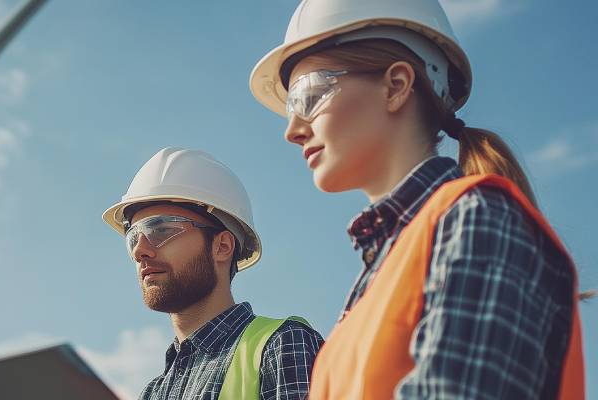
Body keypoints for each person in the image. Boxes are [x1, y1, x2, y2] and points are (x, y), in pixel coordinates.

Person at [246, 0, 587, 398]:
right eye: (289, 107)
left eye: (308, 96)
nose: (292, 129)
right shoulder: (381, 274)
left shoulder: (475, 220)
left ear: (396, 86)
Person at [102, 147, 324, 400]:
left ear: (222, 246)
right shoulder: (153, 393)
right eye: (133, 238)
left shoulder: (282, 345)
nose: (140, 250)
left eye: (161, 230)